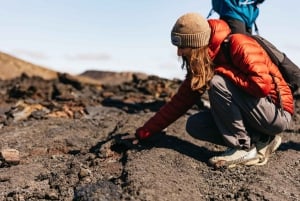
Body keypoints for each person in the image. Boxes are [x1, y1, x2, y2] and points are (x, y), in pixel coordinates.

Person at [123, 12, 294, 168]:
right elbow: (179, 103)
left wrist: (223, 71)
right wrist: (142, 133)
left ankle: (243, 148)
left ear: (196, 44)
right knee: (195, 125)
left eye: (182, 47)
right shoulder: (204, 61)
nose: (179, 53)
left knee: (217, 82)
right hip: (258, 113)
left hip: (276, 113)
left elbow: (261, 87)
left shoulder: (238, 44)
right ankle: (262, 139)